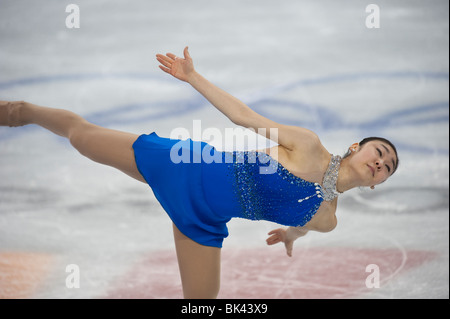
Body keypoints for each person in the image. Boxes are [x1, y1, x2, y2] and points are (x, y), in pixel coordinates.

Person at [0, 47, 399, 299]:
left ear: (377, 183)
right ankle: (23, 111)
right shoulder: (308, 145)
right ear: (356, 148)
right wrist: (192, 77)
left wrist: (291, 233)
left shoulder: (327, 219)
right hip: (186, 164)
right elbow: (244, 117)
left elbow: (308, 223)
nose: (381, 162)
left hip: (202, 220)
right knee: (82, 138)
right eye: (380, 152)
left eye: (387, 168)